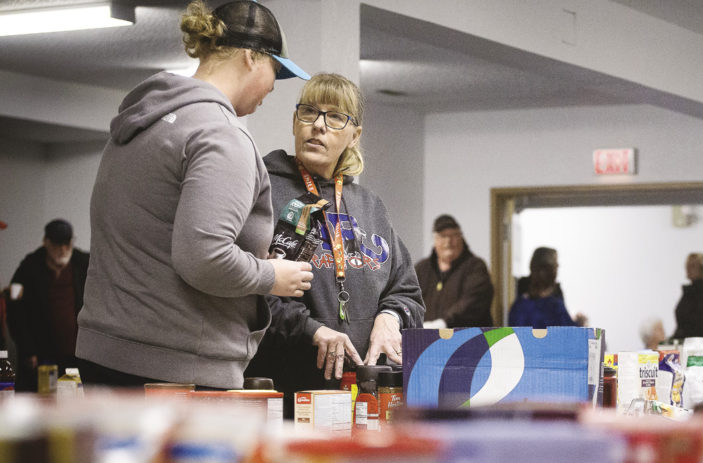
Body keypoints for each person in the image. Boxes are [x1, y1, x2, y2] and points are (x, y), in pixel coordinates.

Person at [75, 0, 314, 390]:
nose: (273, 87)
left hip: (106, 353)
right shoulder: (221, 134)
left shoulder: (143, 122)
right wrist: (272, 276)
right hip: (176, 368)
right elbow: (204, 258)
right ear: (252, 58)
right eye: (276, 71)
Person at [246, 73, 425, 416]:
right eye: (309, 113)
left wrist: (390, 317)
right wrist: (311, 329)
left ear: (354, 135)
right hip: (283, 388)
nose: (318, 126)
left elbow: (408, 292)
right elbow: (248, 287)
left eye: (335, 117)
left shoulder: (370, 206)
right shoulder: (264, 192)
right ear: (295, 122)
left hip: (362, 394)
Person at [6, 219, 89, 391]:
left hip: (76, 357)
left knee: (73, 405)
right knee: (42, 403)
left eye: (67, 244)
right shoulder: (30, 266)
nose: (63, 250)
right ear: (46, 242)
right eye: (57, 244)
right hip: (41, 356)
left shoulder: (82, 263)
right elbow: (16, 311)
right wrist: (27, 348)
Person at [415, 214, 494, 328]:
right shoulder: (421, 269)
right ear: (435, 239)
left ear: (461, 237)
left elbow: (473, 302)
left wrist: (443, 323)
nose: (448, 242)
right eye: (443, 236)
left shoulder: (475, 267)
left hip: (469, 339)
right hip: (426, 340)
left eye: (453, 235)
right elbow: (408, 299)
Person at [508, 247, 585, 328]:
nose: (558, 266)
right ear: (547, 268)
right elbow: (568, 330)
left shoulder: (556, 296)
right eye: (555, 263)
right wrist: (580, 322)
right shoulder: (554, 306)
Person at [670, 252, 703, 363]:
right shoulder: (690, 293)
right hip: (690, 351)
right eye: (687, 265)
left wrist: (674, 342)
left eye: (692, 266)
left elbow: (697, 328)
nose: (688, 268)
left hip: (700, 355)